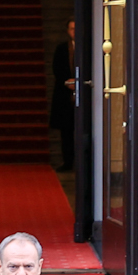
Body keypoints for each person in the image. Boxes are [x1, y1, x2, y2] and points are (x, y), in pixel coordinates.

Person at [51, 19, 79, 171]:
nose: (74, 31)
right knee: (66, 132)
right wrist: (67, 81)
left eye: (76, 28)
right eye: (71, 29)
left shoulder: (86, 48)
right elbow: (56, 68)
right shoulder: (61, 48)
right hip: (65, 95)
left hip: (82, 94)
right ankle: (67, 162)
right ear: (68, 31)